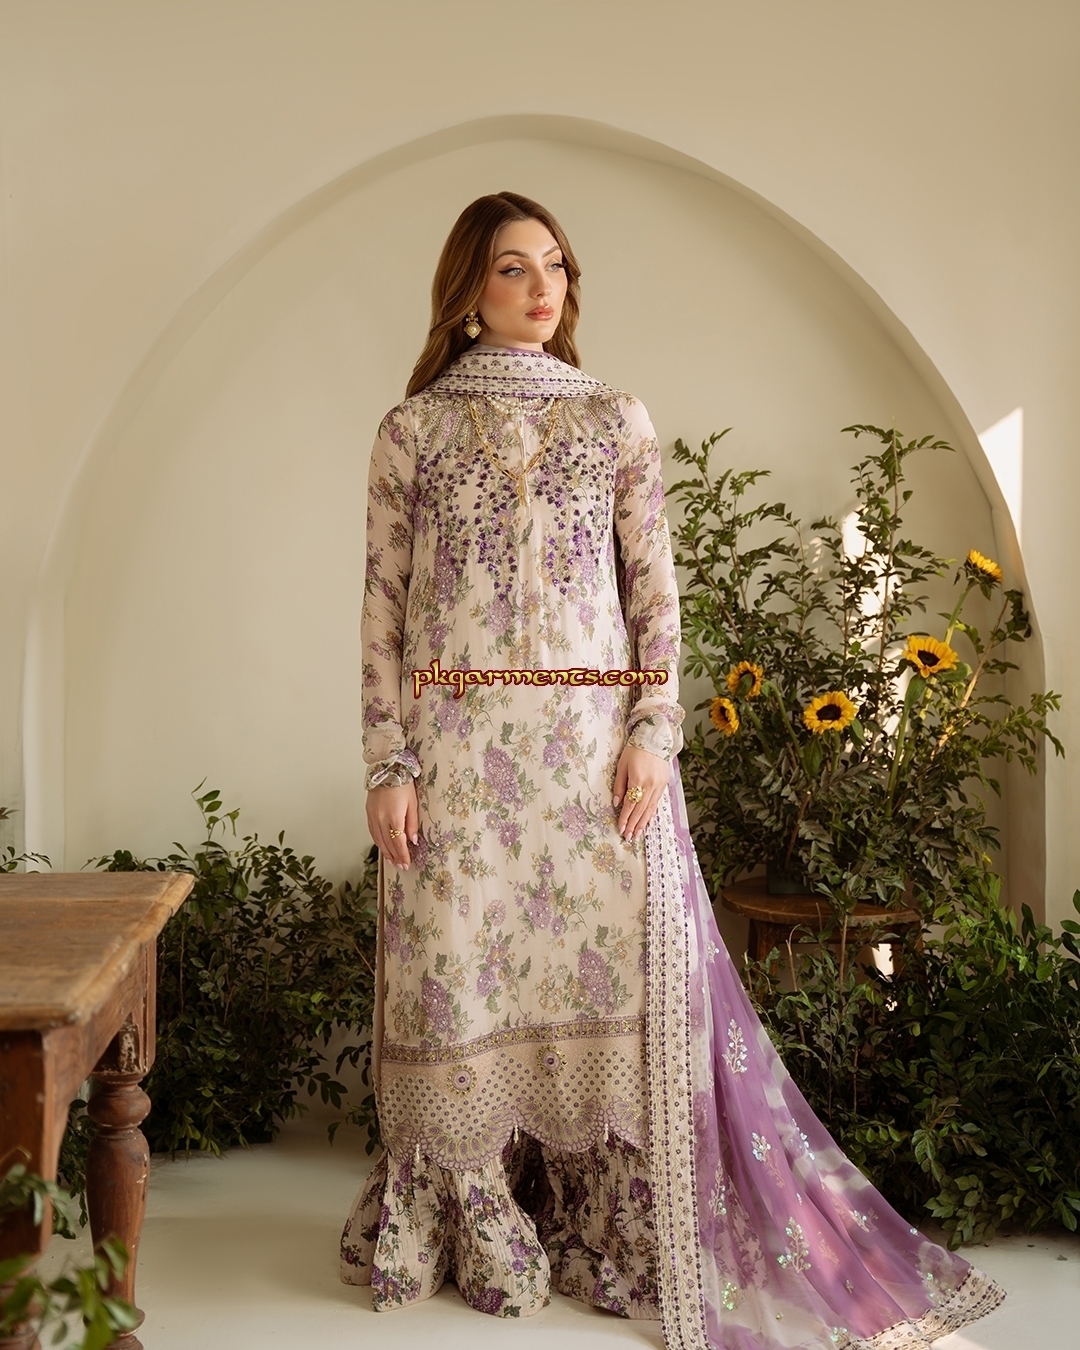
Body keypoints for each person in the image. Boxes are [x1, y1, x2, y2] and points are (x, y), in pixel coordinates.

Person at [341, 192, 1006, 1348]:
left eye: (555, 265)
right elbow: (381, 611)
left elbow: (657, 596)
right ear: (467, 290)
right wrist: (386, 761)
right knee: (460, 978)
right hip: (457, 762)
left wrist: (654, 732)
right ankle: (474, 1214)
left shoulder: (615, 418)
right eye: (513, 267)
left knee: (597, 991)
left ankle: (600, 1217)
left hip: (593, 762)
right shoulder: (413, 431)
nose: (542, 287)